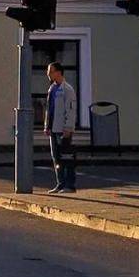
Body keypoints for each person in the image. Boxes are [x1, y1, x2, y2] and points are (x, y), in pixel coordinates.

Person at [44, 61, 77, 194]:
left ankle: (70, 185)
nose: (48, 74)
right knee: (56, 157)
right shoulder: (52, 89)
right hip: (53, 128)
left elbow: (71, 110)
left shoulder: (67, 89)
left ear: (58, 72)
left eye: (51, 71)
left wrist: (68, 127)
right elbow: (49, 109)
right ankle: (60, 183)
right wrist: (47, 125)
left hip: (63, 129)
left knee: (66, 157)